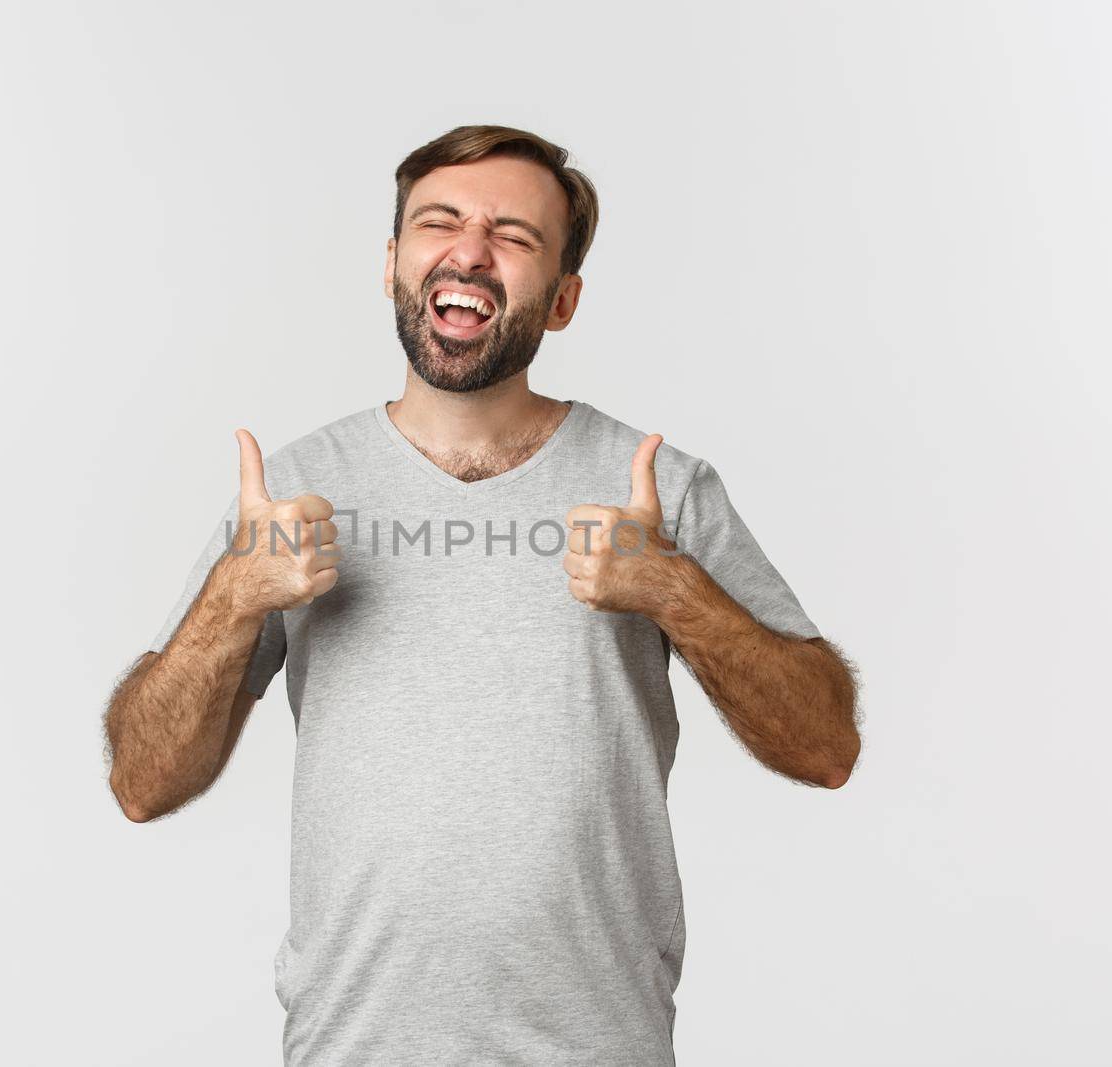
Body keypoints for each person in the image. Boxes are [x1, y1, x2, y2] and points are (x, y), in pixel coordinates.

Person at [102, 124, 861, 1065]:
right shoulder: (292, 492)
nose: (469, 249)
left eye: (515, 235)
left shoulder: (655, 491)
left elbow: (827, 746)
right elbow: (142, 783)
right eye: (441, 222)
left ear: (564, 299)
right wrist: (230, 600)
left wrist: (675, 590)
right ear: (392, 264)